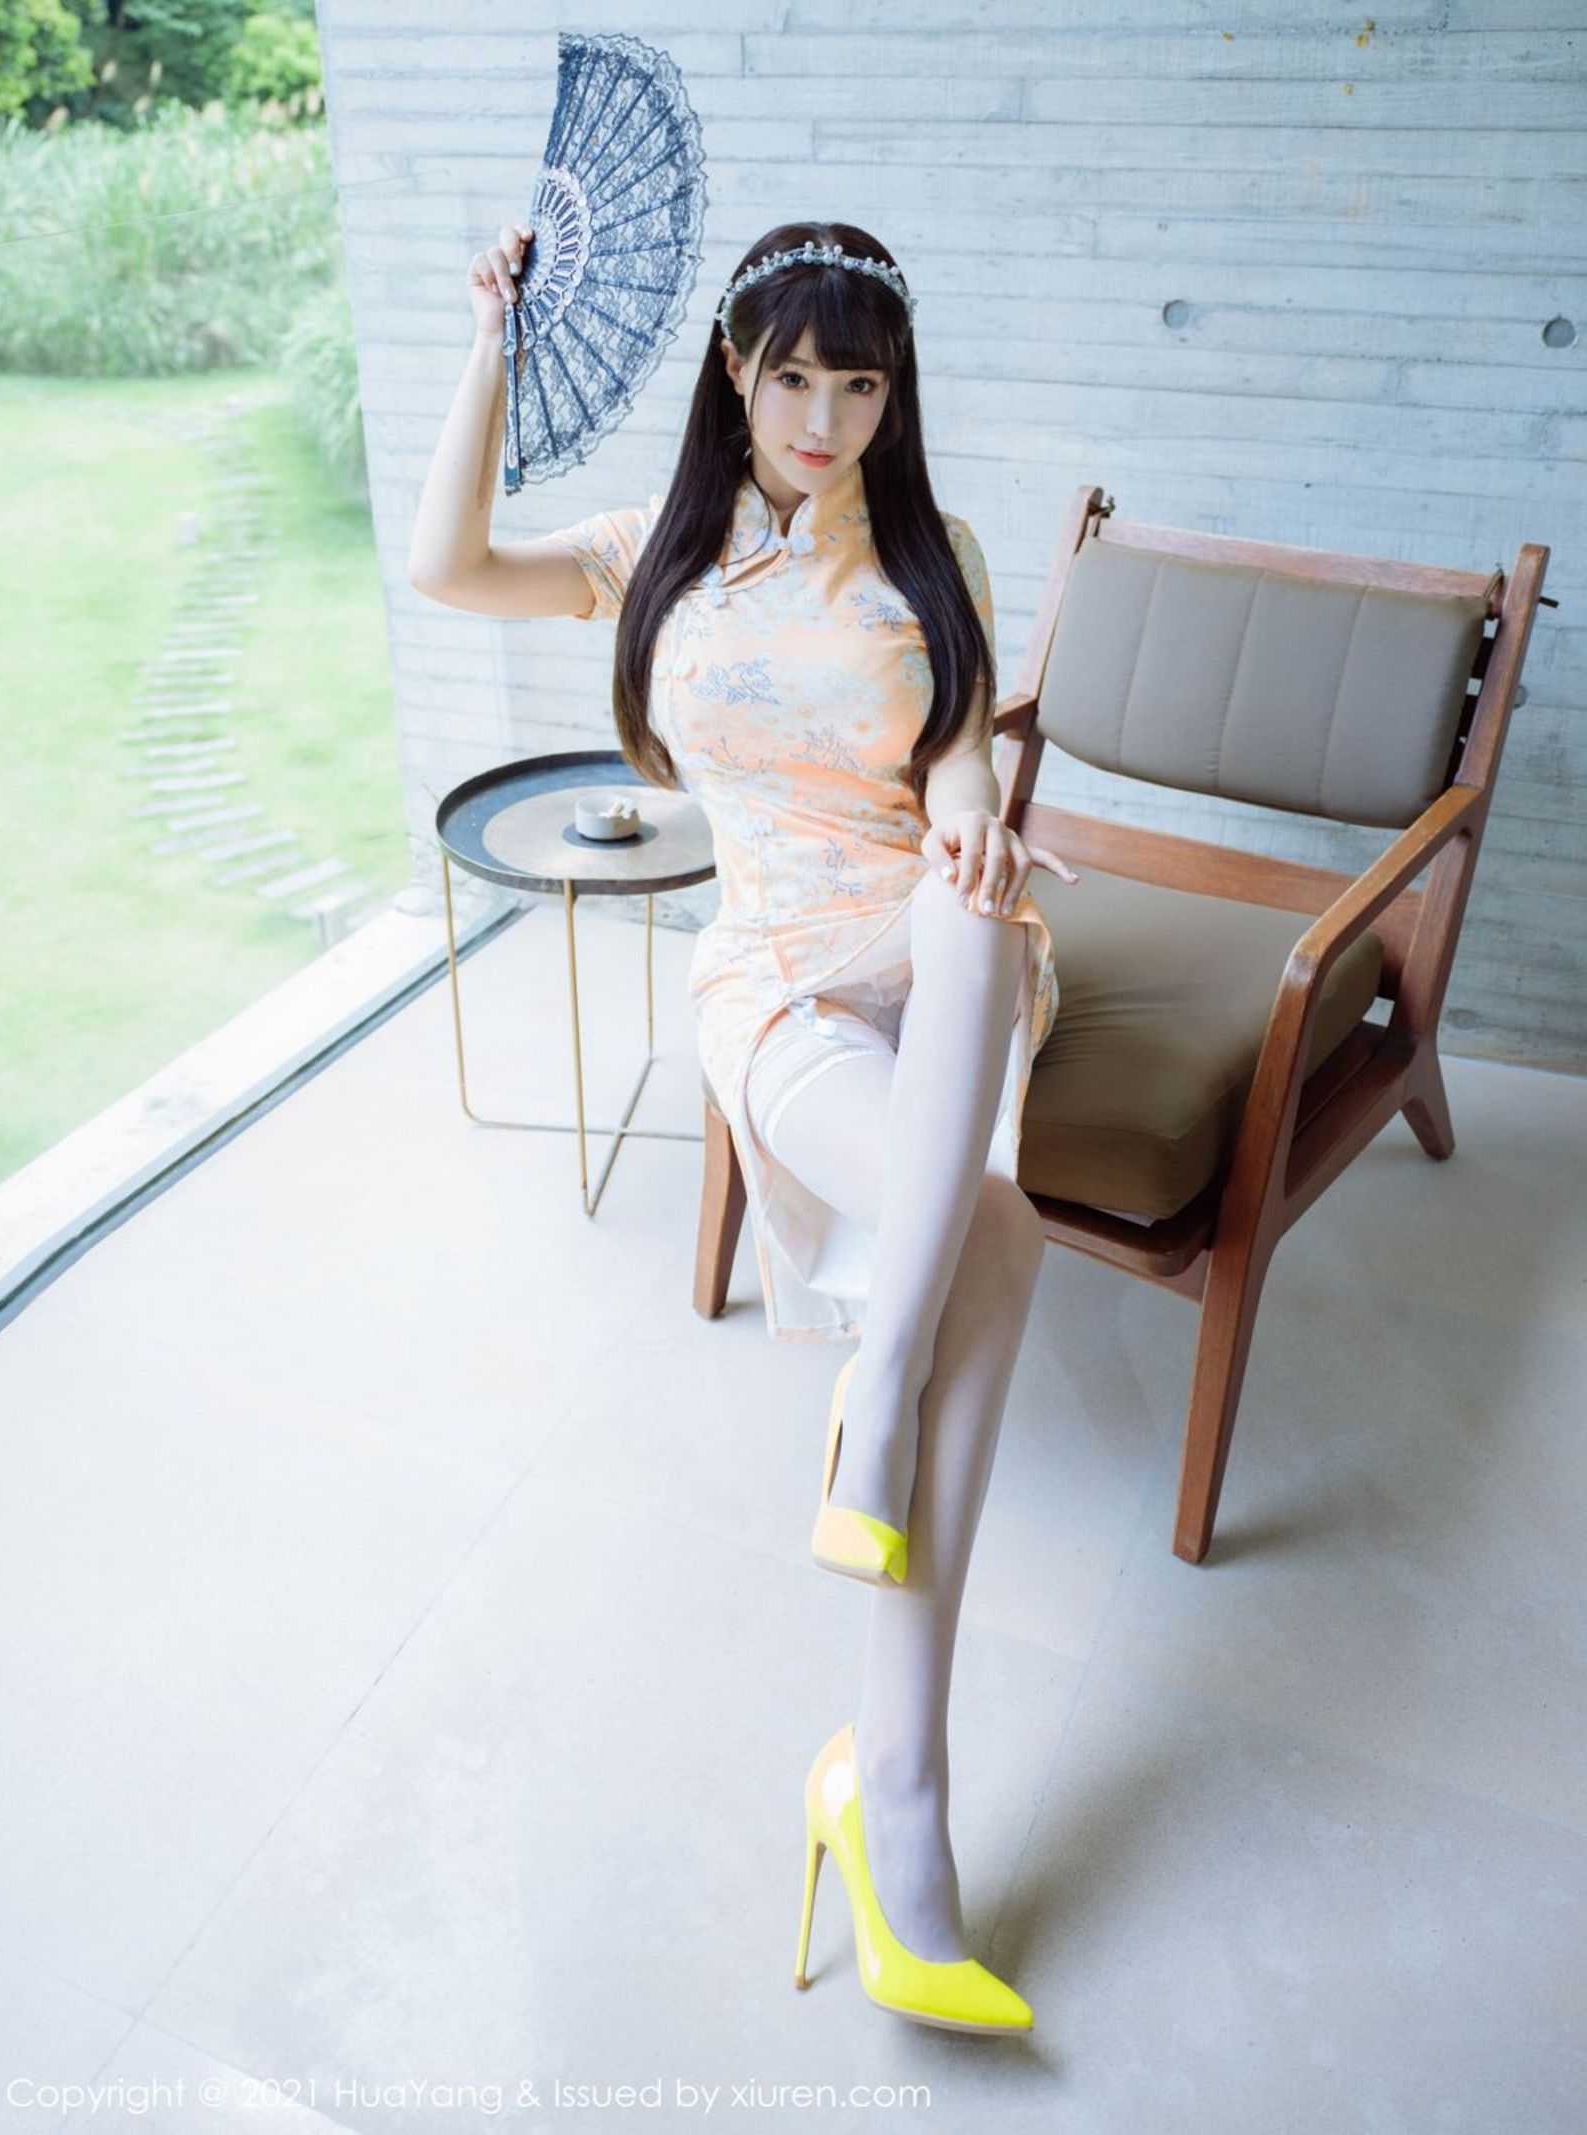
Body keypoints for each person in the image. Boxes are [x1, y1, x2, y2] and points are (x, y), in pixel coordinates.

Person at [408, 217, 1078, 2035]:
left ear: (893, 395)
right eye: (794, 377)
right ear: (736, 372)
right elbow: (447, 563)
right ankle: (891, 1779)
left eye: (860, 385)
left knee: (973, 913)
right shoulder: (656, 554)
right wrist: (493, 344)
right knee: (999, 1238)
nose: (826, 419)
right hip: (777, 976)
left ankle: (879, 1416)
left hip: (936, 958)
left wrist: (973, 823)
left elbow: (957, 756)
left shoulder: (936, 555)